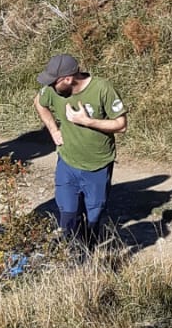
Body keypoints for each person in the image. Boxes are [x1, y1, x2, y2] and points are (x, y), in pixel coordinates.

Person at [34, 53, 127, 242]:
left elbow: (121, 124)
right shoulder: (52, 90)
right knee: (68, 216)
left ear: (68, 79)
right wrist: (53, 130)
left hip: (97, 166)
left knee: (93, 219)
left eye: (53, 82)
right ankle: (71, 255)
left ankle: (87, 256)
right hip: (67, 162)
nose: (49, 87)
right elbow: (39, 102)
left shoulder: (102, 89)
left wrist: (87, 121)